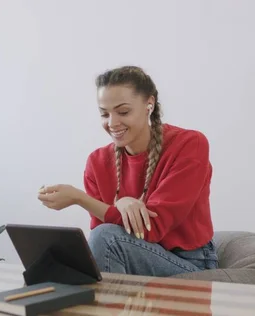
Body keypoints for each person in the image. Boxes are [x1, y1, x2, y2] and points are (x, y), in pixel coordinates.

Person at [37, 65, 218, 277]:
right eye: (104, 114)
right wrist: (119, 205)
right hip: (131, 254)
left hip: (190, 264)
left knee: (107, 238)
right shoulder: (97, 162)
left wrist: (80, 198)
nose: (112, 123)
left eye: (123, 112)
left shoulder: (190, 144)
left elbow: (152, 228)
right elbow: (101, 236)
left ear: (149, 104)